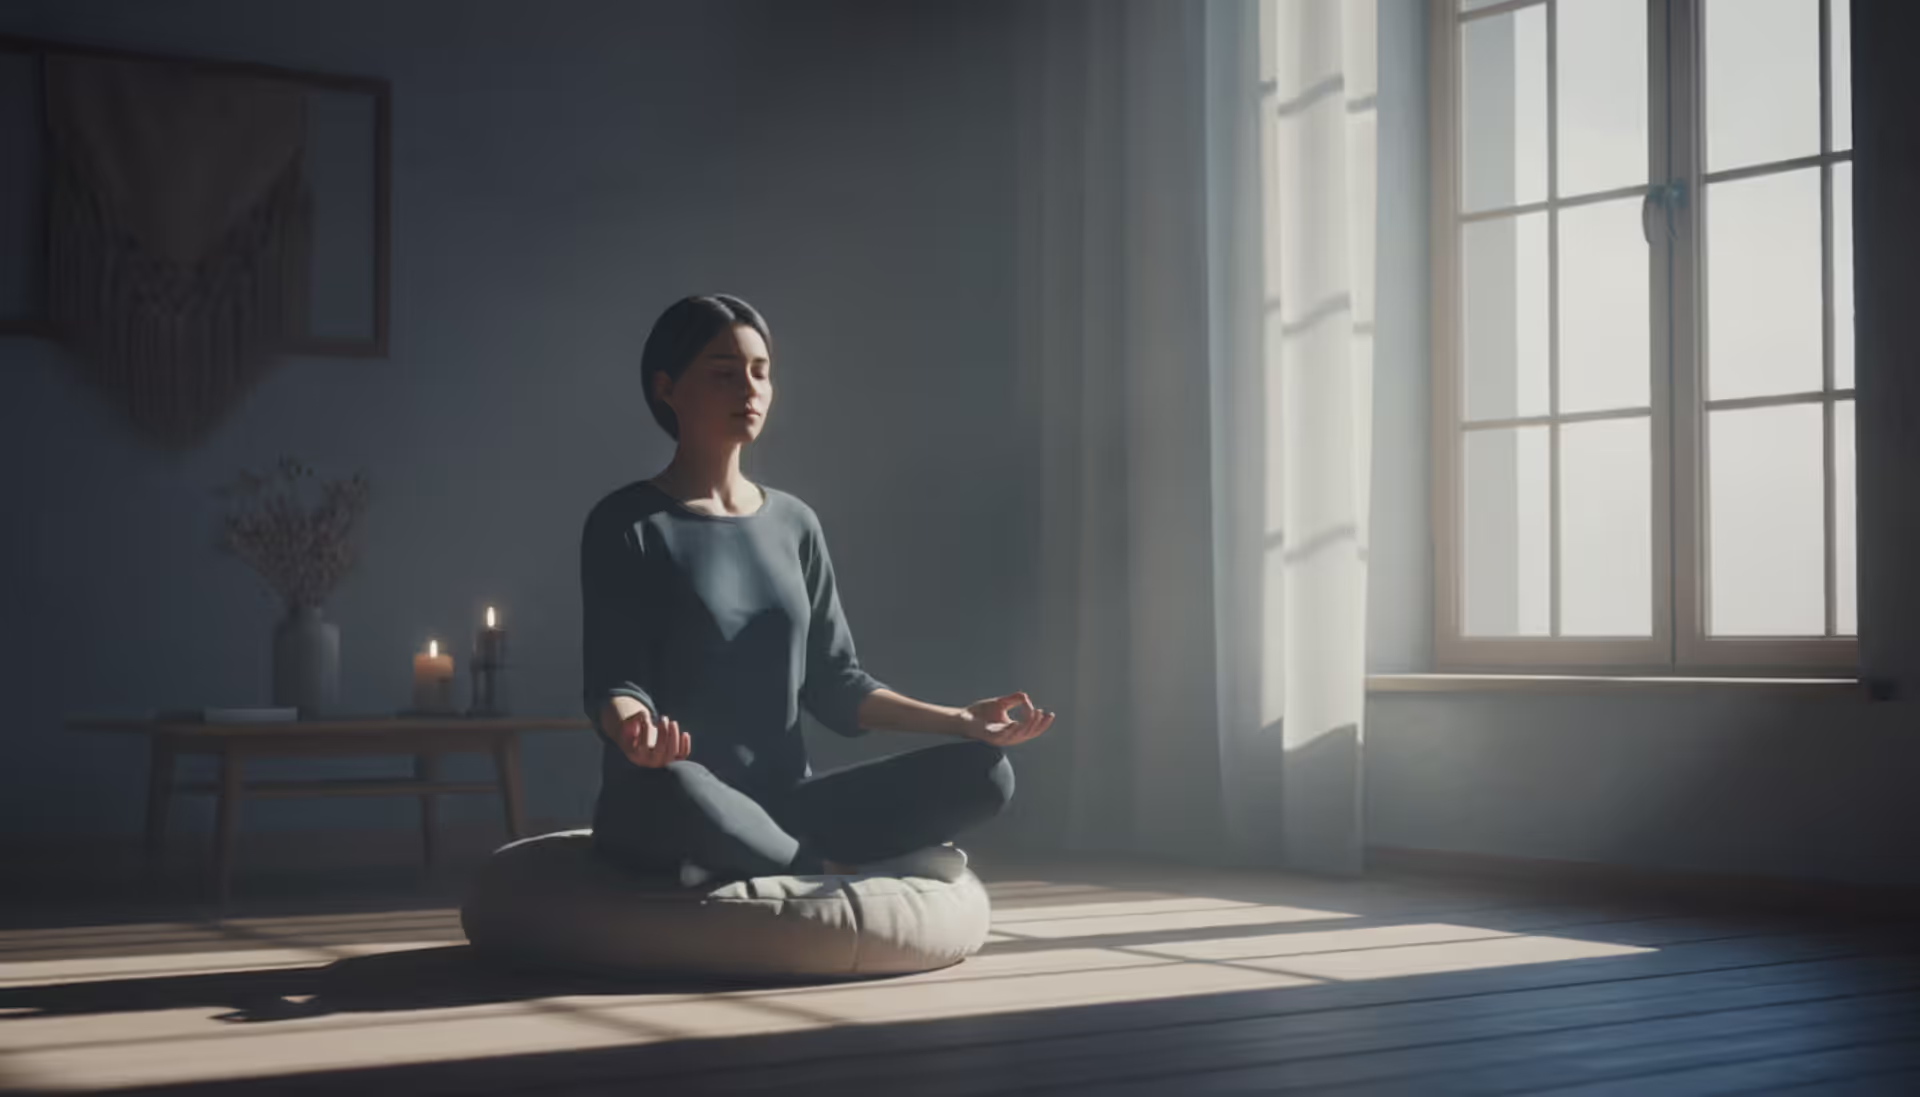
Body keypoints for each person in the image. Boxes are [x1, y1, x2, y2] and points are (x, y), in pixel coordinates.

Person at [580, 294, 1055, 885]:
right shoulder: (627, 523)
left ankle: (777, 857)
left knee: (986, 773)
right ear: (667, 388)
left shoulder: (794, 523)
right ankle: (821, 874)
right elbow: (615, 682)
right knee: (680, 783)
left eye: (760, 372)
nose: (748, 390)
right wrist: (635, 729)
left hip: (783, 803)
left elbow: (836, 685)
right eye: (724, 374)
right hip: (670, 800)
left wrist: (960, 719)